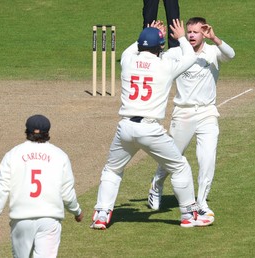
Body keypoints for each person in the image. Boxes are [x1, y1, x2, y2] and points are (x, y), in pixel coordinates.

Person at [90, 19, 214, 230]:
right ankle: (189, 215)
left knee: (112, 169)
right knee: (180, 167)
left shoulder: (127, 60)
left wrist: (148, 32)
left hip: (126, 128)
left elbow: (134, 47)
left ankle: (101, 214)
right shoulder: (165, 66)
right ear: (160, 48)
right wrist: (182, 37)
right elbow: (191, 56)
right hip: (150, 129)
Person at [147, 17, 236, 217]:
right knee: (172, 157)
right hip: (183, 113)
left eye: (196, 32)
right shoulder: (177, 53)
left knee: (207, 159)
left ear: (203, 33)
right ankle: (157, 183)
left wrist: (215, 38)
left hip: (207, 113)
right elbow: (154, 61)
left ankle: (201, 202)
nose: (192, 35)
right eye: (189, 32)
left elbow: (231, 55)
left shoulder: (212, 52)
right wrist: (156, 38)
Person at [0, 114, 84, 258]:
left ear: (27, 131)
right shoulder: (60, 155)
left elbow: (2, 189)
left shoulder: (12, 154)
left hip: (21, 219)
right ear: (48, 132)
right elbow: (67, 191)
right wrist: (76, 211)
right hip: (49, 219)